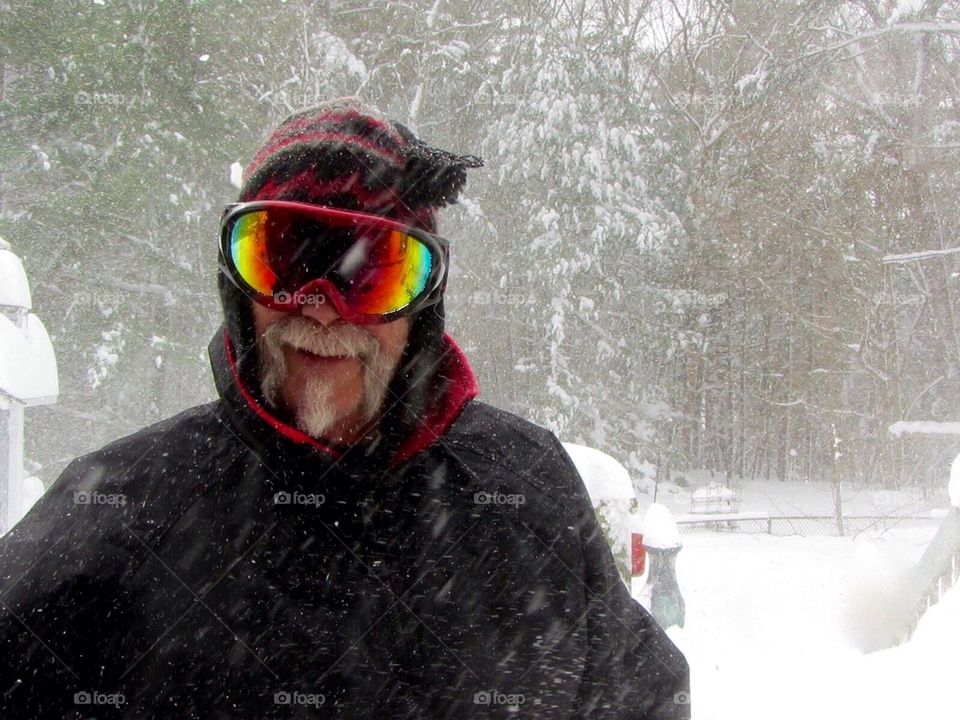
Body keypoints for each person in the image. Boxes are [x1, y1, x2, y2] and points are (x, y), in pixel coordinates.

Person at [0, 99, 689, 718]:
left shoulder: (523, 492)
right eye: (285, 260)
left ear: (425, 301)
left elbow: (642, 697)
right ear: (236, 285)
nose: (324, 306)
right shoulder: (116, 516)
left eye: (374, 270)